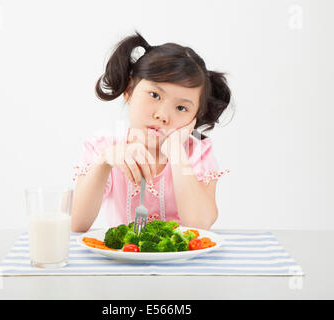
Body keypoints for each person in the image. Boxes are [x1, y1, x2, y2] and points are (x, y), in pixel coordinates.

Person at [71, 31, 232, 232]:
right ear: (129, 91)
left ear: (194, 119)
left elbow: (200, 225)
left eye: (182, 108)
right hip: (123, 260)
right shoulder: (103, 148)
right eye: (154, 95)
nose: (163, 115)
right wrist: (104, 162)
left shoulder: (197, 153)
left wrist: (175, 151)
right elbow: (76, 223)